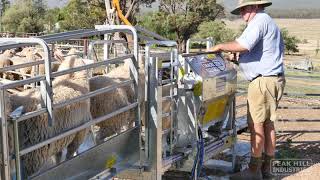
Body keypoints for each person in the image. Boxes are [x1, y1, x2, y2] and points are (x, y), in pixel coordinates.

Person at [208, 0, 286, 179]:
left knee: (256, 125)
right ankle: (266, 169)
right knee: (268, 125)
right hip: (273, 79)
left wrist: (219, 46)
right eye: (241, 10)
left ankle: (253, 171)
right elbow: (260, 52)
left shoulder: (258, 21)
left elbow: (243, 44)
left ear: (254, 7)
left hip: (262, 82)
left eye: (244, 9)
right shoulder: (269, 22)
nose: (242, 14)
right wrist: (239, 59)